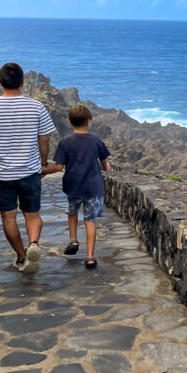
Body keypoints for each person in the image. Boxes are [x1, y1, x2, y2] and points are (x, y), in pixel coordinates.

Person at [0, 63, 55, 271]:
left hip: (2, 174)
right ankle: (33, 244)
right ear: (22, 82)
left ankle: (21, 256)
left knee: (9, 217)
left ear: (0, 82)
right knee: (32, 214)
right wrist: (43, 163)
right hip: (29, 170)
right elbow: (44, 139)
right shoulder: (36, 107)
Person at [41, 104, 111, 269]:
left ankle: (73, 239)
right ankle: (90, 256)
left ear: (70, 122)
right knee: (90, 220)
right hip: (93, 187)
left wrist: (43, 171)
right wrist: (105, 167)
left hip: (73, 185)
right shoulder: (95, 140)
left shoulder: (65, 142)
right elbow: (104, 160)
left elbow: (58, 167)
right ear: (88, 122)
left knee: (72, 212)